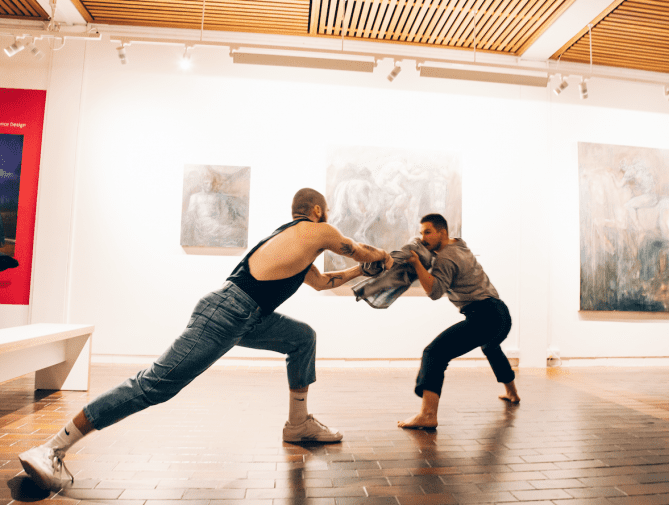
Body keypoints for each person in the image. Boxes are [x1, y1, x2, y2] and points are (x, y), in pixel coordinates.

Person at [18, 188, 393, 491]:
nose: (329, 222)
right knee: (154, 386)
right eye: (326, 214)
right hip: (228, 311)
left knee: (301, 337)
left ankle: (298, 424)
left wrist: (361, 271)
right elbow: (356, 248)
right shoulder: (316, 231)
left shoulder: (296, 245)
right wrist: (382, 258)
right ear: (317, 210)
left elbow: (324, 282)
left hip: (247, 317)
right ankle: (52, 447)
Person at [397, 213, 520, 430]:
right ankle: (512, 393)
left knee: (434, 353)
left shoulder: (445, 258)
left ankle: (428, 415)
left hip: (485, 315)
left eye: (428, 232)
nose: (423, 238)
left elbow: (434, 292)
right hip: (501, 314)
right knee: (491, 347)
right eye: (421, 233)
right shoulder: (459, 244)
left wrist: (417, 263)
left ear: (442, 232)